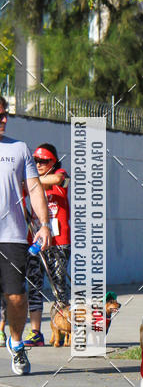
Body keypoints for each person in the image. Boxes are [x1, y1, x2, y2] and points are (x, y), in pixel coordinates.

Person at [0, 97, 51, 374]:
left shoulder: (19, 149)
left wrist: (44, 224)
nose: (4, 119)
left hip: (13, 236)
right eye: (0, 116)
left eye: (5, 114)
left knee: (16, 297)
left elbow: (33, 189)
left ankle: (17, 344)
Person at [24, 143, 70, 347]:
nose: (39, 164)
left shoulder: (61, 174)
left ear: (53, 162)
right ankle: (36, 333)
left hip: (58, 242)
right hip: (35, 241)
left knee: (59, 286)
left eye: (44, 161)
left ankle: (66, 329)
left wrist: (31, 182)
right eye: (35, 160)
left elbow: (58, 179)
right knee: (34, 286)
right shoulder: (31, 179)